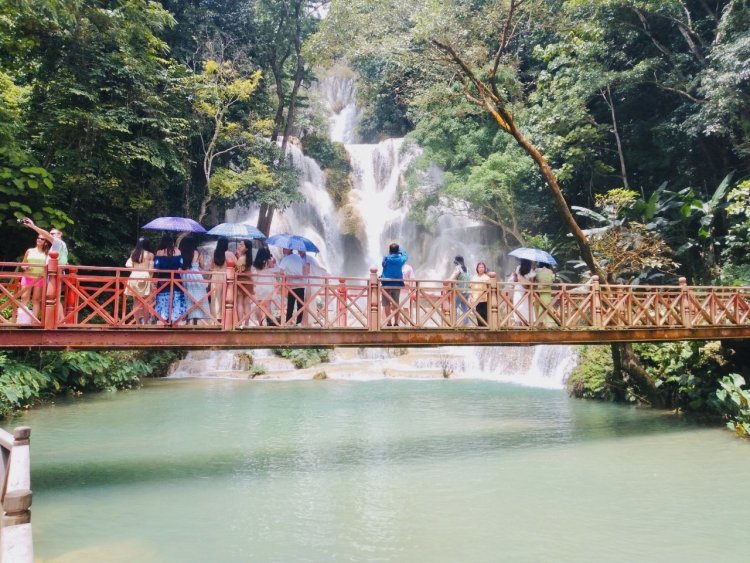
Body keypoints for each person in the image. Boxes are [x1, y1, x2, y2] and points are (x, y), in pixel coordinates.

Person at [153, 234, 186, 324]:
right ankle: (175, 318)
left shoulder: (159, 252)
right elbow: (181, 265)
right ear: (172, 242)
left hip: (163, 279)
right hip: (175, 279)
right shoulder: (178, 251)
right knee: (176, 298)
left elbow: (156, 267)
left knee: (162, 298)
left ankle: (162, 318)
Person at [18, 233, 50, 322]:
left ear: (46, 242)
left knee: (36, 300)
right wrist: (25, 267)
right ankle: (21, 320)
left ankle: (34, 322)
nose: (39, 239)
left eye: (42, 239)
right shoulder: (30, 250)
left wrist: (44, 273)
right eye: (38, 238)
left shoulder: (47, 253)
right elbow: (23, 264)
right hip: (27, 276)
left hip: (39, 278)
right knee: (24, 297)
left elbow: (48, 267)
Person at [179, 237, 209, 325]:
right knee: (198, 296)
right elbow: (202, 266)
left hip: (185, 275)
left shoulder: (182, 253)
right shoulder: (198, 253)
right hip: (196, 275)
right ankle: (197, 318)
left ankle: (187, 318)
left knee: (187, 296)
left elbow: (180, 264)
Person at [125, 237, 154, 325]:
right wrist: (151, 280)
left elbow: (129, 266)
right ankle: (145, 322)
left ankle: (137, 322)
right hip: (144, 276)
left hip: (133, 276)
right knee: (146, 301)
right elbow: (151, 270)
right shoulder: (150, 254)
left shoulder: (133, 253)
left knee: (136, 301)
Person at [380, 242, 408, 326]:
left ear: (389, 251)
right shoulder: (400, 260)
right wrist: (401, 251)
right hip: (396, 284)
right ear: (397, 251)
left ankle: (389, 322)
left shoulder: (386, 259)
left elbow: (383, 264)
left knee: (386, 304)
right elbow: (405, 255)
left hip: (386, 284)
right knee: (396, 304)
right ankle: (396, 323)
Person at [298, 249, 329, 325]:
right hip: (305, 283)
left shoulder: (310, 258)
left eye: (301, 250)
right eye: (298, 250)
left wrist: (327, 274)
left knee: (308, 302)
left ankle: (308, 321)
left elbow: (320, 267)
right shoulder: (300, 258)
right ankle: (305, 321)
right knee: (305, 302)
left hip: (310, 282)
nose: (299, 251)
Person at [210, 237, 236, 323]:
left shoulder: (215, 253)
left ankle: (215, 318)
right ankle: (224, 318)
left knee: (215, 297)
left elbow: (211, 266)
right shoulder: (229, 254)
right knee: (225, 297)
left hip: (215, 276)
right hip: (225, 276)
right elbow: (237, 264)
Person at [250, 247, 278, 326]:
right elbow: (275, 270)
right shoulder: (269, 261)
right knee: (268, 304)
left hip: (259, 285)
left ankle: (260, 322)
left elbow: (253, 273)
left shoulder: (256, 262)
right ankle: (269, 320)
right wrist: (274, 262)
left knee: (258, 305)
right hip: (268, 284)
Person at [278, 246, 305, 325]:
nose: (283, 250)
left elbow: (281, 272)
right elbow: (305, 268)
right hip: (302, 284)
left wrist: (287, 276)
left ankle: (288, 321)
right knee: (300, 304)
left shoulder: (285, 259)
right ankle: (299, 322)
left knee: (290, 304)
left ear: (290, 249)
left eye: (284, 248)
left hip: (292, 285)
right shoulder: (299, 257)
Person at [235, 239, 254, 327]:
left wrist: (237, 259)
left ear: (246, 248)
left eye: (241, 245)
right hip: (248, 282)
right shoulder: (248, 258)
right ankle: (246, 323)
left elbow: (237, 270)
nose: (239, 246)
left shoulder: (242, 258)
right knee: (247, 304)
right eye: (239, 244)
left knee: (239, 303)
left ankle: (240, 323)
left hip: (241, 282)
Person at [510, 258, 535, 325]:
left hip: (518, 289)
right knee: (526, 306)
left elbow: (515, 280)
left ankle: (519, 323)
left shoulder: (518, 268)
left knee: (517, 306)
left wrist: (515, 275)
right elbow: (532, 283)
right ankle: (528, 323)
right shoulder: (531, 270)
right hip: (527, 290)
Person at [449, 255, 472, 326]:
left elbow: (452, 278)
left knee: (453, 306)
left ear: (456, 261)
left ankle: (454, 322)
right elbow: (470, 279)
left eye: (455, 261)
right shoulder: (468, 268)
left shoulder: (458, 268)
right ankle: (466, 323)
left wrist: (448, 280)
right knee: (464, 306)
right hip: (467, 291)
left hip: (460, 291)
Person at [534, 261, 556, 326]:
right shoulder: (550, 271)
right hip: (547, 291)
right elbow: (552, 280)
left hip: (539, 290)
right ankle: (546, 322)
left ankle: (538, 321)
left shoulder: (537, 270)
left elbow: (534, 280)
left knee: (538, 305)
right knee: (546, 305)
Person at [471, 261, 491, 327]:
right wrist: (471, 297)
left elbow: (489, 288)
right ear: (477, 268)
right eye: (479, 267)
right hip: (476, 300)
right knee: (478, 316)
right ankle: (480, 329)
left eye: (482, 267)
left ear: (485, 268)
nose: (481, 268)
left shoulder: (487, 278)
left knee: (485, 316)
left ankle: (486, 330)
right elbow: (471, 287)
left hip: (484, 300)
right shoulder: (474, 277)